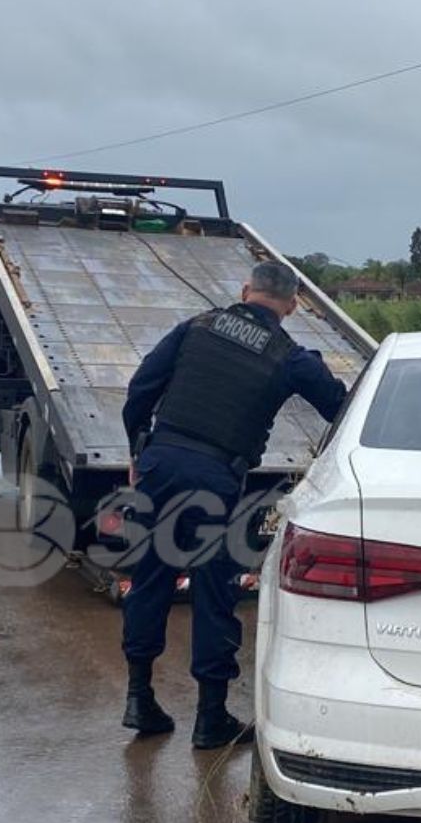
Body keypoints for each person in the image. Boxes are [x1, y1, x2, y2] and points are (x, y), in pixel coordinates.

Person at [119, 260, 347, 748]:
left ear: (245, 291)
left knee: (150, 578)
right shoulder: (290, 356)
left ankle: (139, 698)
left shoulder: (194, 328)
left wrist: (140, 450)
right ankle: (210, 718)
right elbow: (339, 407)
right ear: (291, 305)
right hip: (215, 478)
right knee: (214, 591)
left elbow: (140, 391)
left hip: (160, 466)